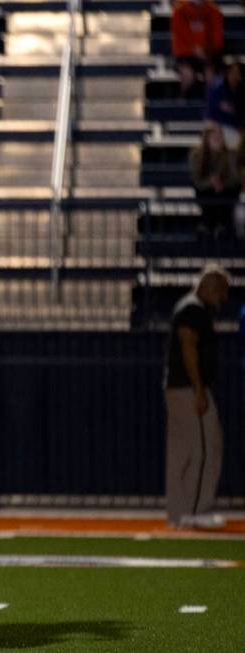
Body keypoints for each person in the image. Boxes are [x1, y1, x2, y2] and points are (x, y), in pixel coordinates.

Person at [164, 266, 231, 529]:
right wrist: (199, 388)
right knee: (205, 449)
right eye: (221, 293)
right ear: (208, 286)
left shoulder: (186, 307)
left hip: (178, 388)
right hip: (188, 389)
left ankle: (179, 513)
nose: (222, 300)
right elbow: (188, 344)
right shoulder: (193, 310)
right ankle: (195, 510)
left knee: (181, 452)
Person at [190, 124, 239, 239]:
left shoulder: (231, 155)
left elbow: (235, 179)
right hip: (206, 190)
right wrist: (210, 182)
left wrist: (221, 183)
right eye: (214, 138)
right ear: (206, 140)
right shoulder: (197, 155)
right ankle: (207, 225)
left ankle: (224, 226)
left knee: (228, 193)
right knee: (206, 193)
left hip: (226, 189)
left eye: (220, 138)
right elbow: (197, 180)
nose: (218, 141)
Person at [171, 0, 224, 98]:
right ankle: (185, 103)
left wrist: (206, 50)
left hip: (209, 54)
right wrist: (193, 50)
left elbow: (217, 41)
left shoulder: (214, 12)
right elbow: (178, 42)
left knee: (211, 75)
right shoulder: (179, 12)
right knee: (187, 75)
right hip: (186, 55)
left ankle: (211, 105)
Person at [204, 62, 245, 149]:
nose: (233, 76)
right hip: (218, 125)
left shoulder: (241, 92)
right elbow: (211, 112)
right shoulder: (218, 89)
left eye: (237, 73)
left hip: (236, 127)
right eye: (231, 72)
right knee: (216, 138)